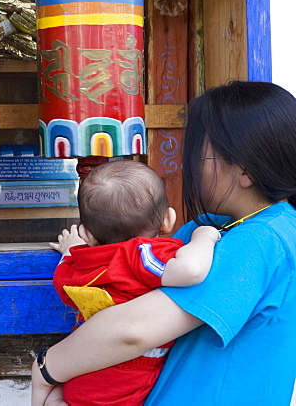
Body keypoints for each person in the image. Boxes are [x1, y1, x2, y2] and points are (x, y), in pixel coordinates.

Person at [31, 81, 296, 405]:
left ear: (244, 171)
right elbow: (126, 268)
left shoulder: (261, 239)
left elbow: (132, 330)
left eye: (202, 153)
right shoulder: (220, 225)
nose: (192, 166)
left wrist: (46, 369)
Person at [48, 160, 221, 405]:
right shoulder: (141, 255)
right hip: (127, 383)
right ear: (167, 220)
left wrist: (72, 248)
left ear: (88, 234)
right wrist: (204, 236)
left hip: (82, 381)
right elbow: (190, 270)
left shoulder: (81, 265)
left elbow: (63, 279)